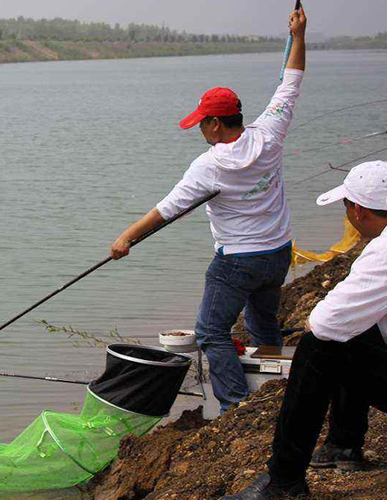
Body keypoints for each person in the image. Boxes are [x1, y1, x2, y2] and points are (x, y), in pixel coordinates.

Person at [110, 7, 307, 414]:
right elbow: (291, 83)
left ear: (217, 125)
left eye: (202, 123)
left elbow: (166, 210)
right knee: (263, 323)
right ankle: (273, 384)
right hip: (277, 253)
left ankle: (236, 404)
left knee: (211, 332)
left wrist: (126, 238)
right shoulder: (270, 133)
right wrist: (299, 36)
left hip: (236, 261)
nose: (200, 129)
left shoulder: (209, 165)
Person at [222, 161, 387, 499]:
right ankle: (344, 443)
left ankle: (283, 481)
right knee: (354, 328)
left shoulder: (383, 251)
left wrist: (316, 321)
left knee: (320, 347)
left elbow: (325, 323)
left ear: (357, 210)